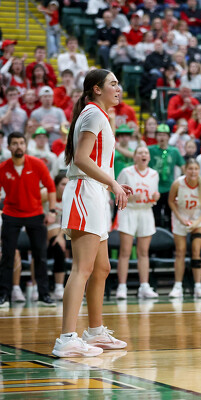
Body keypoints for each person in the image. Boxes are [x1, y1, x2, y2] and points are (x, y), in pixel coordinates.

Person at [52, 69, 133, 357]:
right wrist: (112, 182)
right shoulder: (93, 113)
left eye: (118, 83)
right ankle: (66, 338)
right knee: (83, 268)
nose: (118, 88)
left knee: (102, 268)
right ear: (97, 89)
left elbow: (95, 161)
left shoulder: (100, 115)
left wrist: (110, 183)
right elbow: (81, 158)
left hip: (95, 192)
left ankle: (95, 332)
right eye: (113, 83)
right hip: (84, 193)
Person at [0, 132, 57, 308]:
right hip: (11, 214)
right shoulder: (3, 168)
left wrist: (52, 211)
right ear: (9, 147)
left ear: (25, 145)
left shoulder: (37, 164)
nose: (18, 146)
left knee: (40, 256)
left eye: (21, 143)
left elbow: (51, 187)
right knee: (7, 256)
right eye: (15, 143)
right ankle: (3, 295)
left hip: (35, 213)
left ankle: (43, 295)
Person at [114, 146, 160, 300]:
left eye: (146, 153)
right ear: (134, 157)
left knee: (144, 252)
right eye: (140, 153)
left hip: (146, 211)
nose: (143, 155)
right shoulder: (126, 172)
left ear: (149, 157)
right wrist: (130, 197)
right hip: (129, 211)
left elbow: (154, 194)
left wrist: (156, 197)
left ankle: (144, 286)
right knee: (125, 251)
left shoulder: (154, 174)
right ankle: (122, 287)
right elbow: (116, 192)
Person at [168, 158, 201, 298]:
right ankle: (177, 286)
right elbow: (171, 201)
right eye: (190, 169)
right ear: (185, 170)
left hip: (198, 219)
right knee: (180, 252)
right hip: (180, 218)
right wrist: (181, 219)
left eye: (196, 169)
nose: (193, 172)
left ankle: (198, 286)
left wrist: (198, 221)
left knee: (196, 251)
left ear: (199, 170)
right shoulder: (178, 183)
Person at [148, 123, 185, 228]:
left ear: (168, 137)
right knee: (155, 215)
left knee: (170, 215)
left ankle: (169, 234)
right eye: (159, 135)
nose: (162, 137)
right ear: (156, 136)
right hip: (154, 188)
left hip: (169, 187)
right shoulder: (150, 150)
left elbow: (183, 167)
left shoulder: (174, 151)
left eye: (164, 135)